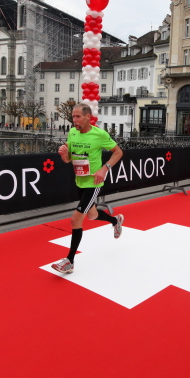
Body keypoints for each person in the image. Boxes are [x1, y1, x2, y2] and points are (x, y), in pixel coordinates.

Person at [51, 104, 124, 274]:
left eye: (77, 117)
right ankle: (115, 221)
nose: (74, 120)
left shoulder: (99, 134)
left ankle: (69, 261)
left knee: (75, 219)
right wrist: (64, 155)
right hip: (80, 182)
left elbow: (118, 152)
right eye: (73, 117)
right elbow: (68, 159)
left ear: (88, 117)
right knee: (92, 215)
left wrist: (104, 169)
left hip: (93, 183)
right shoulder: (72, 132)